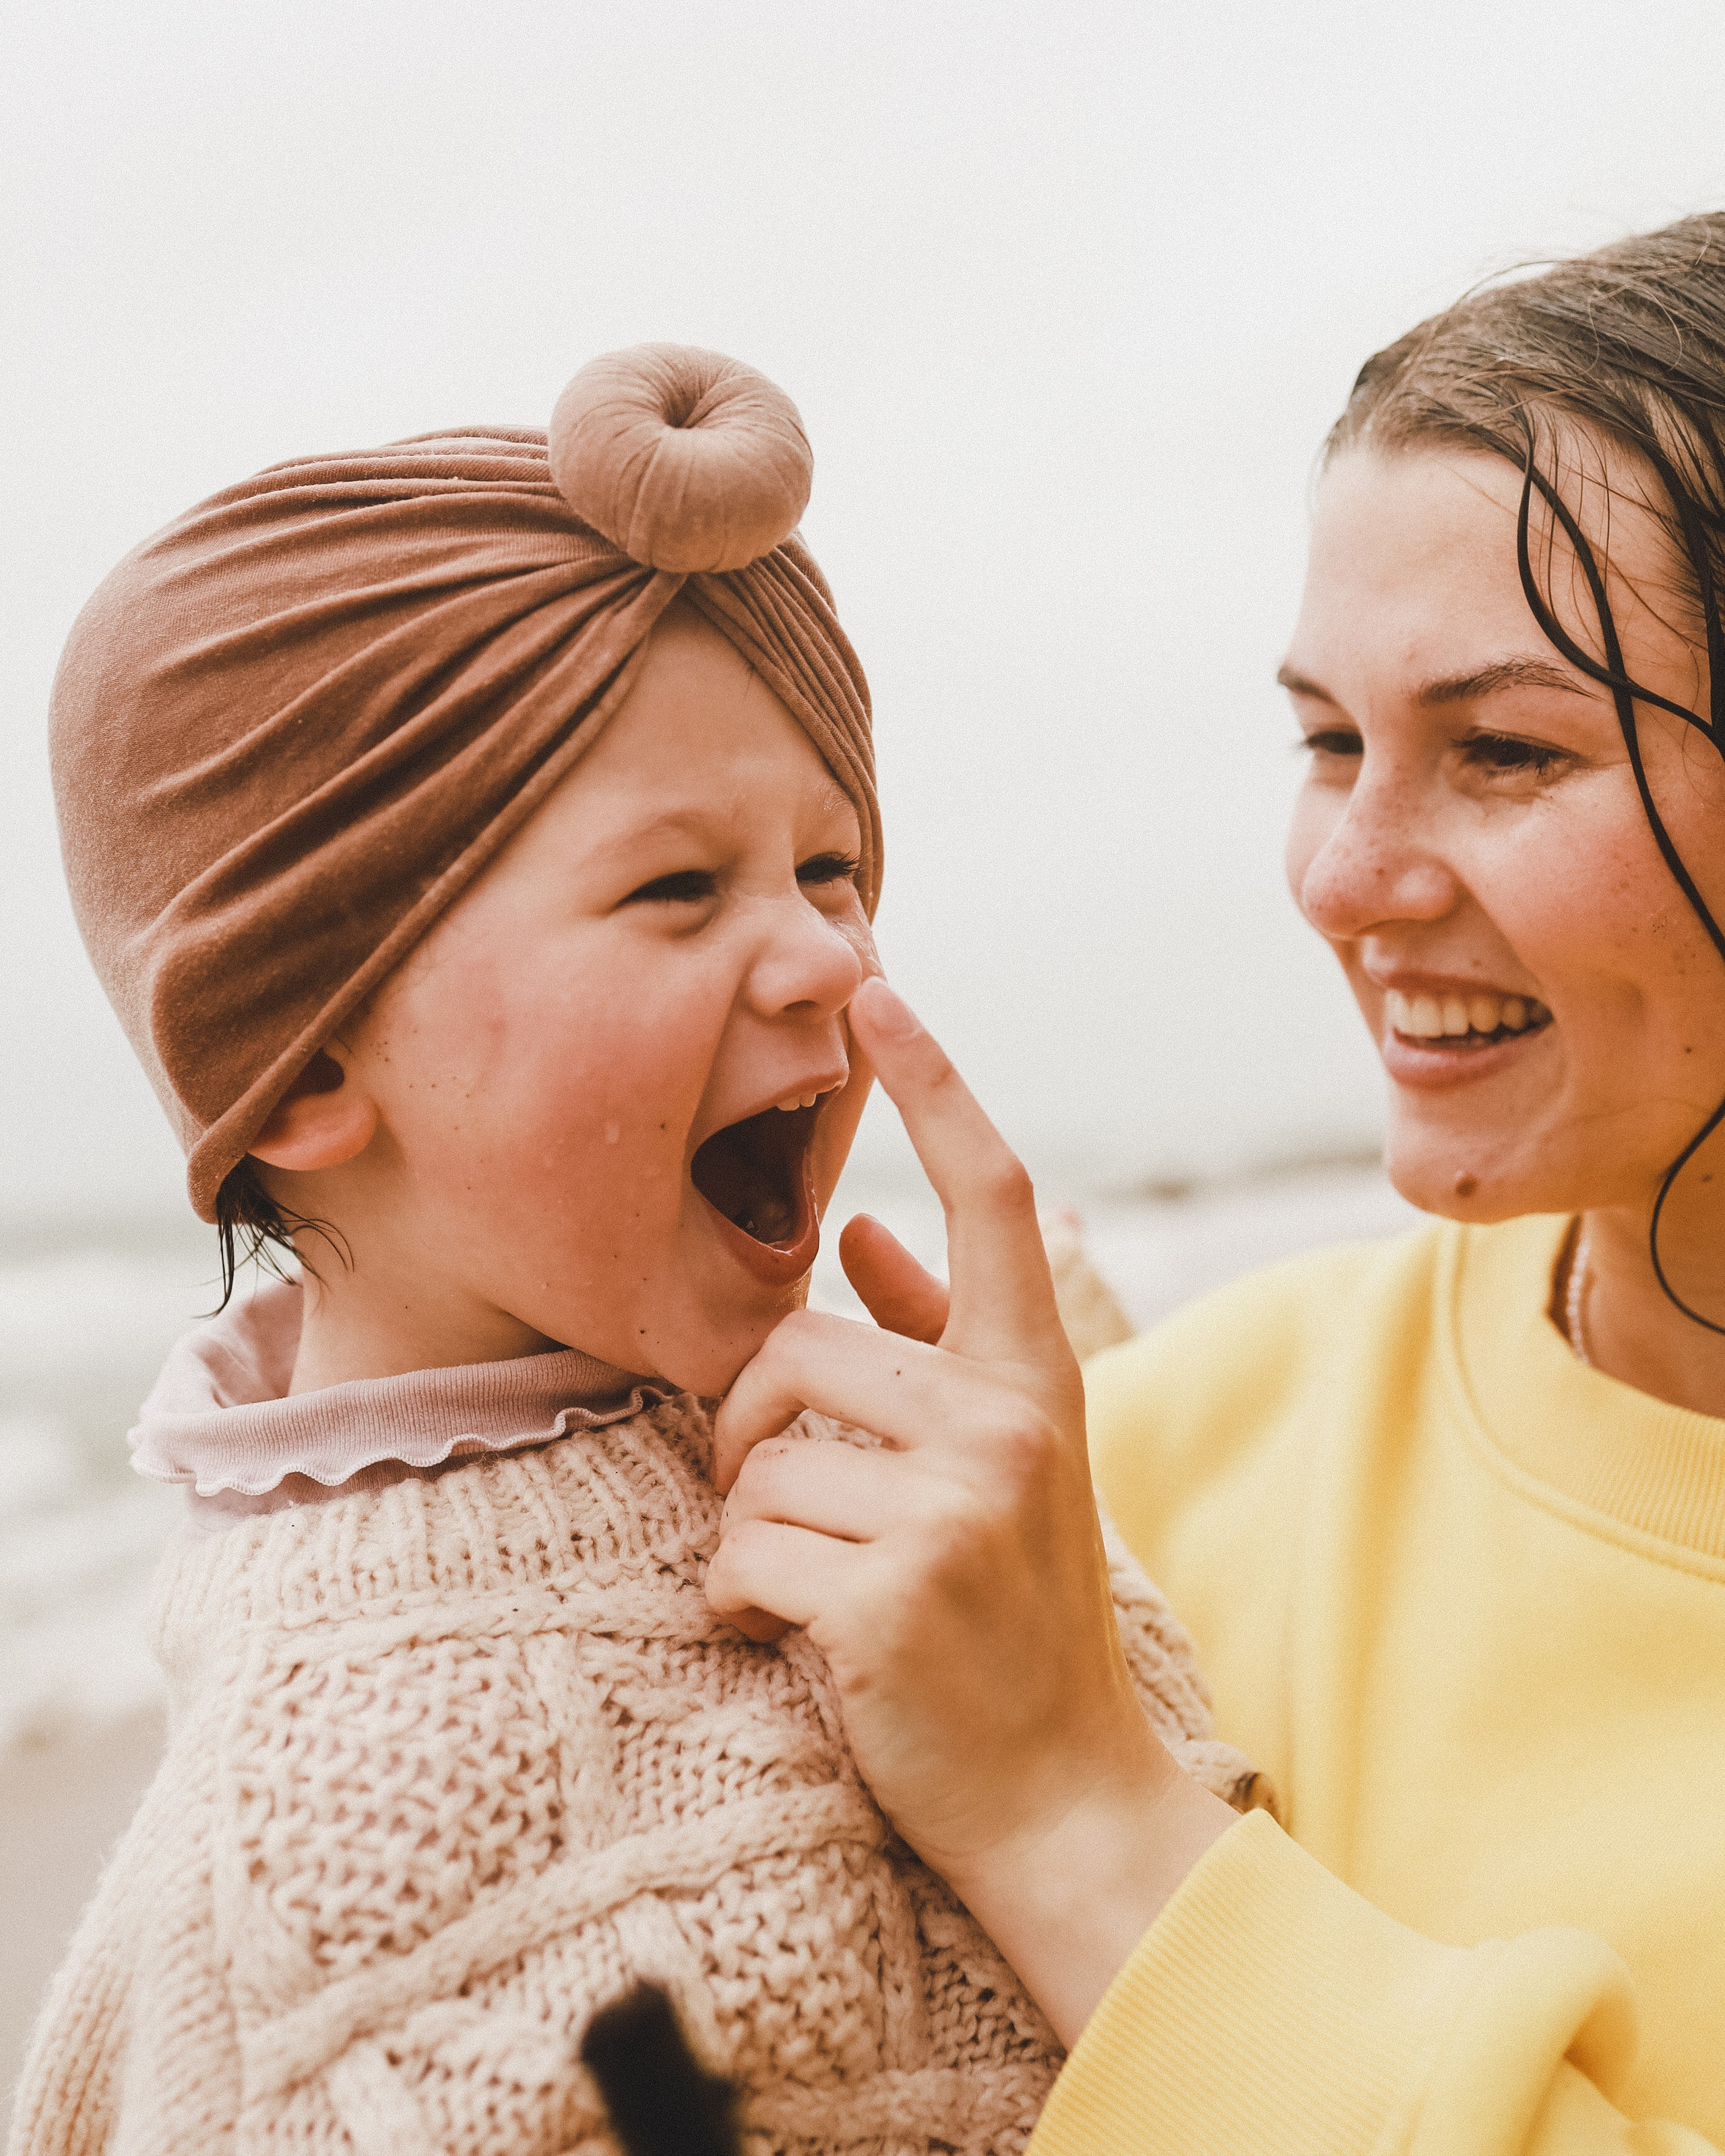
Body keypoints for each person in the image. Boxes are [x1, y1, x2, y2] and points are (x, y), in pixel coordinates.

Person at [9, 344, 1258, 2156]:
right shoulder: (316, 1846)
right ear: (302, 1063)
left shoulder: (924, 1482)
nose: (834, 957)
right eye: (679, 887)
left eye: (835, 870)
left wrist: (1090, 1460)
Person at [708, 217, 1725, 2149]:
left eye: (1504, 750)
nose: (1344, 876)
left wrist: (1080, 1820)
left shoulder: (1063, 1662)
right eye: (1328, 739)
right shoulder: (1131, 1471)